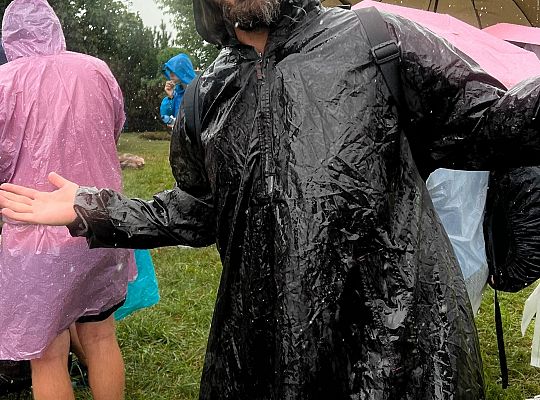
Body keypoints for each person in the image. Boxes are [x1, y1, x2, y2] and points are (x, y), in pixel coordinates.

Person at [2, 0, 540, 398]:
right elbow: (201, 209)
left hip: (399, 349)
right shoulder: (207, 97)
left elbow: (494, 126)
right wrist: (95, 209)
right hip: (261, 358)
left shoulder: (378, 40)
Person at [0, 1, 134, 399]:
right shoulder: (97, 70)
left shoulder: (4, 83)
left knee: (47, 356)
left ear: (8, 37)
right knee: (102, 337)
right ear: (55, 27)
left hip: (37, 238)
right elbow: (114, 129)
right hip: (101, 219)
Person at [160, 53, 196, 128]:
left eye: (174, 70)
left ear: (183, 70)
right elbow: (165, 116)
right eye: (169, 71)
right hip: (179, 136)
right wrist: (170, 97)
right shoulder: (177, 93)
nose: (170, 74)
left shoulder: (197, 90)